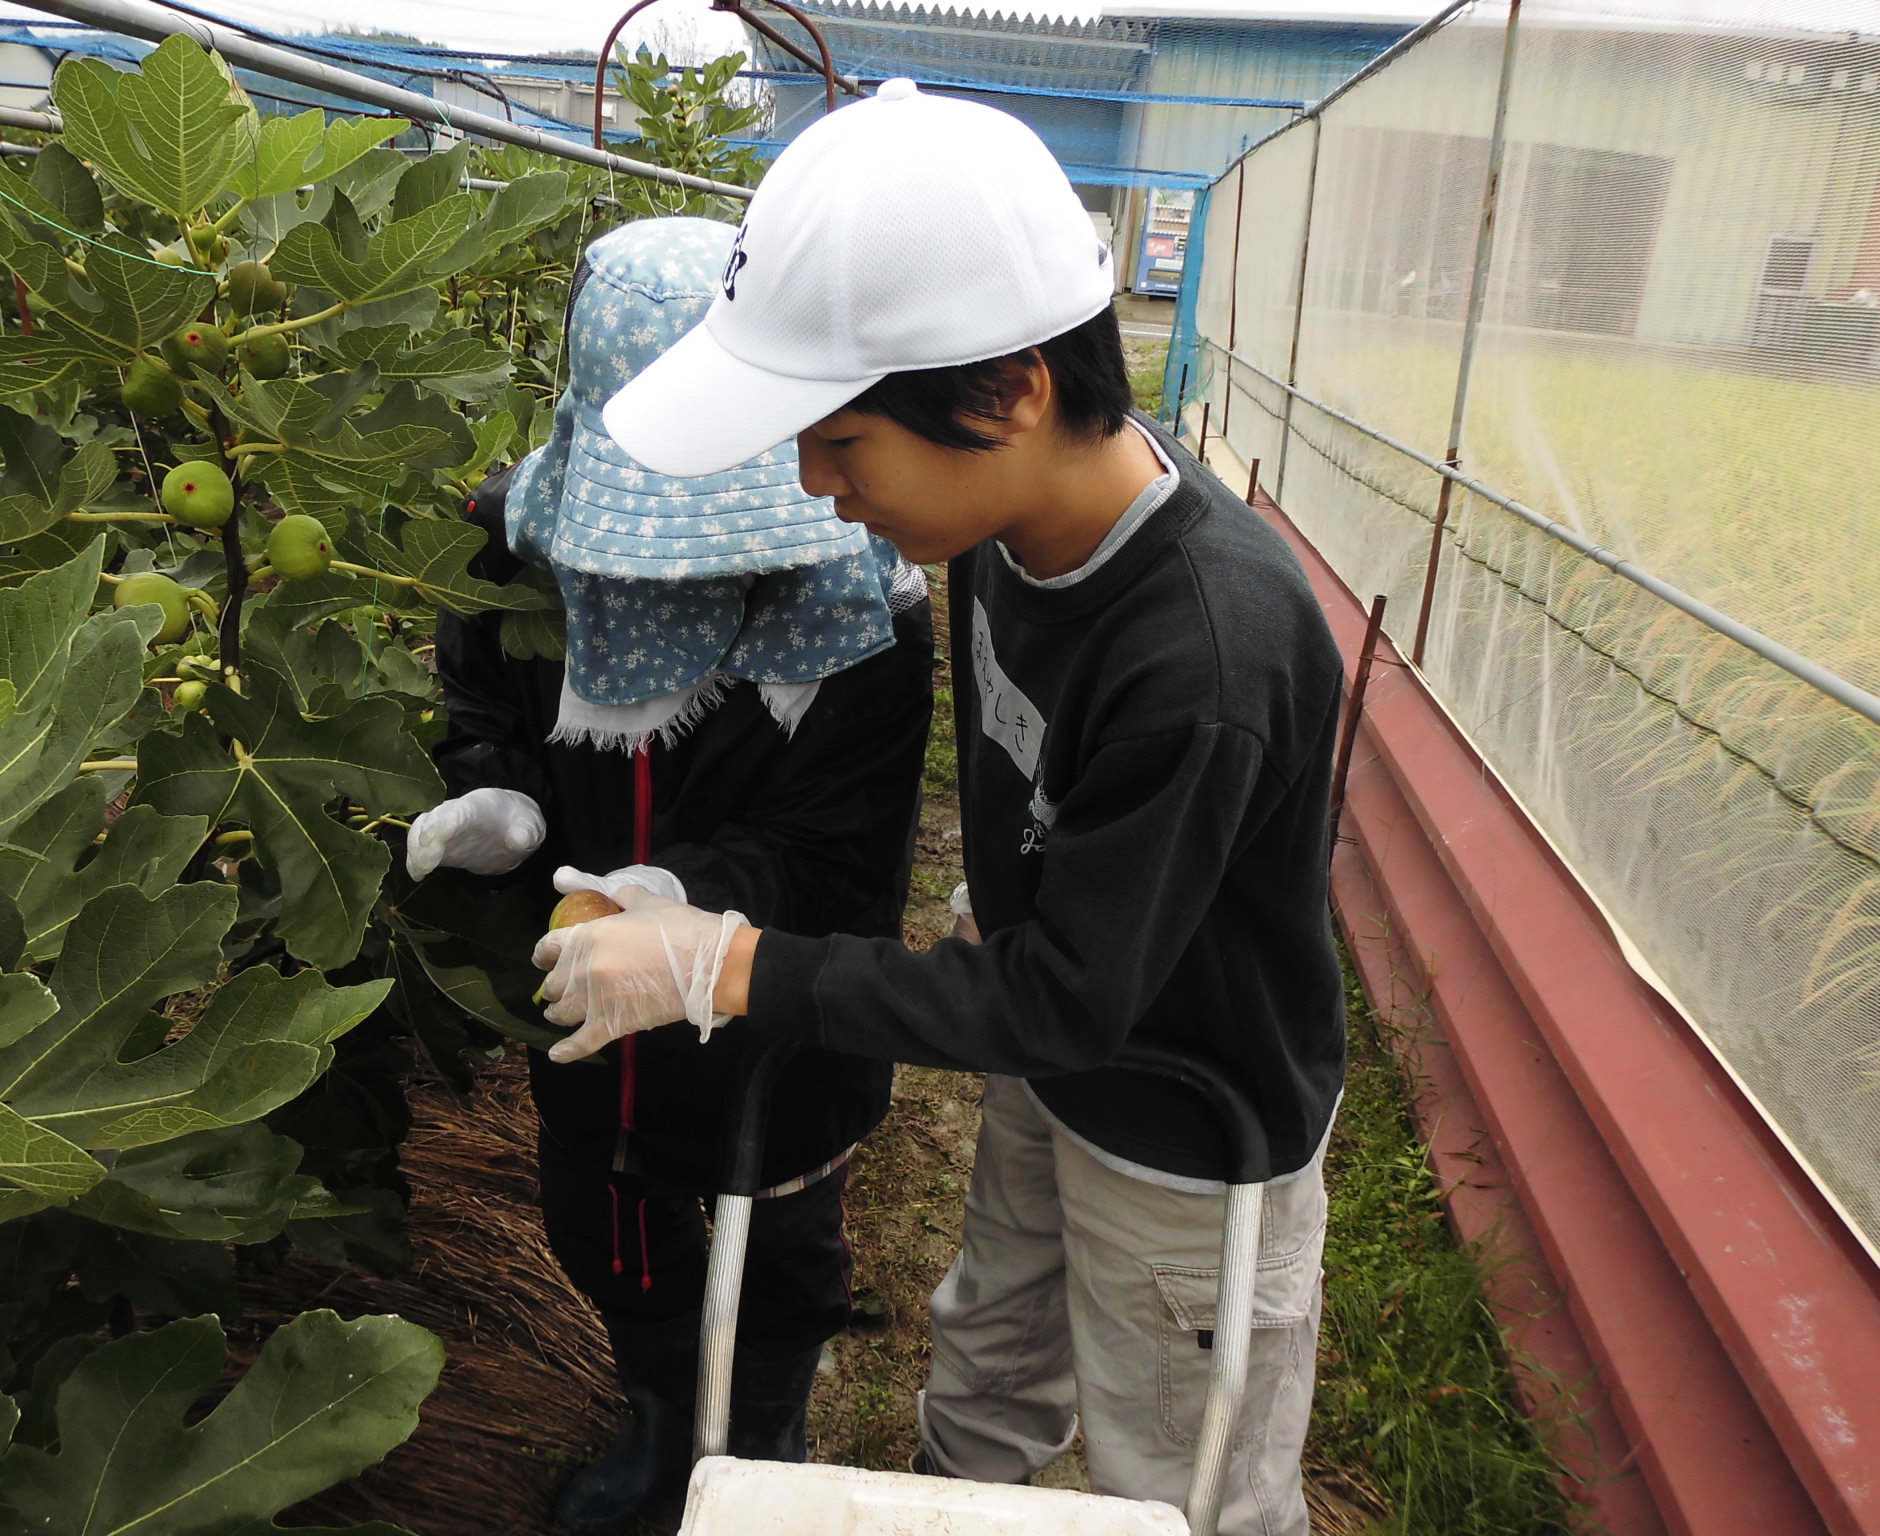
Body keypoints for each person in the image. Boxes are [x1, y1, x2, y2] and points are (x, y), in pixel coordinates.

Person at [533, 83, 1346, 1536]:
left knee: (1186, 1471)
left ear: (1009, 392)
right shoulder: (1003, 527)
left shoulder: (1207, 654)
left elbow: (1072, 999)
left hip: (1187, 1127)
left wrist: (731, 966)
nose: (814, 484)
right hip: (1049, 1063)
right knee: (989, 1347)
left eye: (843, 443)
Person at [406, 217, 933, 1532]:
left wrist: (678, 896)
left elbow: (835, 839)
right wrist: (498, 795)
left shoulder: (855, 602)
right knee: (609, 1212)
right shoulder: (509, 543)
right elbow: (481, 697)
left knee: (779, 1239)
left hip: (776, 1012)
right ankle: (656, 1411)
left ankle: (760, 1426)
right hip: (582, 998)